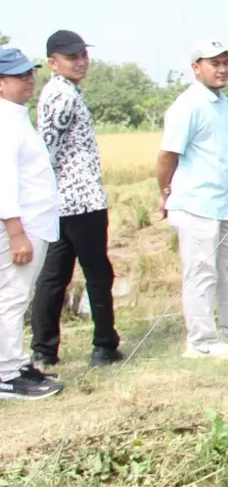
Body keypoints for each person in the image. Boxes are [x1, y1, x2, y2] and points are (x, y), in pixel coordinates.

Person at [158, 40, 228, 359]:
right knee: (201, 273)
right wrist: (164, 192)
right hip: (195, 204)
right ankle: (201, 341)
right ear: (196, 68)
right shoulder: (188, 105)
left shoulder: (219, 101)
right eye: (214, 63)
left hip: (220, 202)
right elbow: (167, 155)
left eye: (226, 63)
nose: (222, 69)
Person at [30, 30, 122, 369]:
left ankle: (44, 349)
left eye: (83, 55)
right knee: (97, 273)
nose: (81, 62)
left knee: (54, 276)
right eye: (72, 57)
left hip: (63, 202)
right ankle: (103, 345)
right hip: (81, 201)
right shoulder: (62, 96)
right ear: (53, 63)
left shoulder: (61, 91)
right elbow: (47, 149)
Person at [0, 48, 62, 400]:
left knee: (17, 295)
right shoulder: (4, 122)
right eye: (18, 75)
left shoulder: (16, 116)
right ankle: (7, 374)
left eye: (29, 73)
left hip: (34, 222)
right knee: (12, 296)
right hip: (21, 226)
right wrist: (16, 232)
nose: (28, 79)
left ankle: (16, 362)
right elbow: (4, 182)